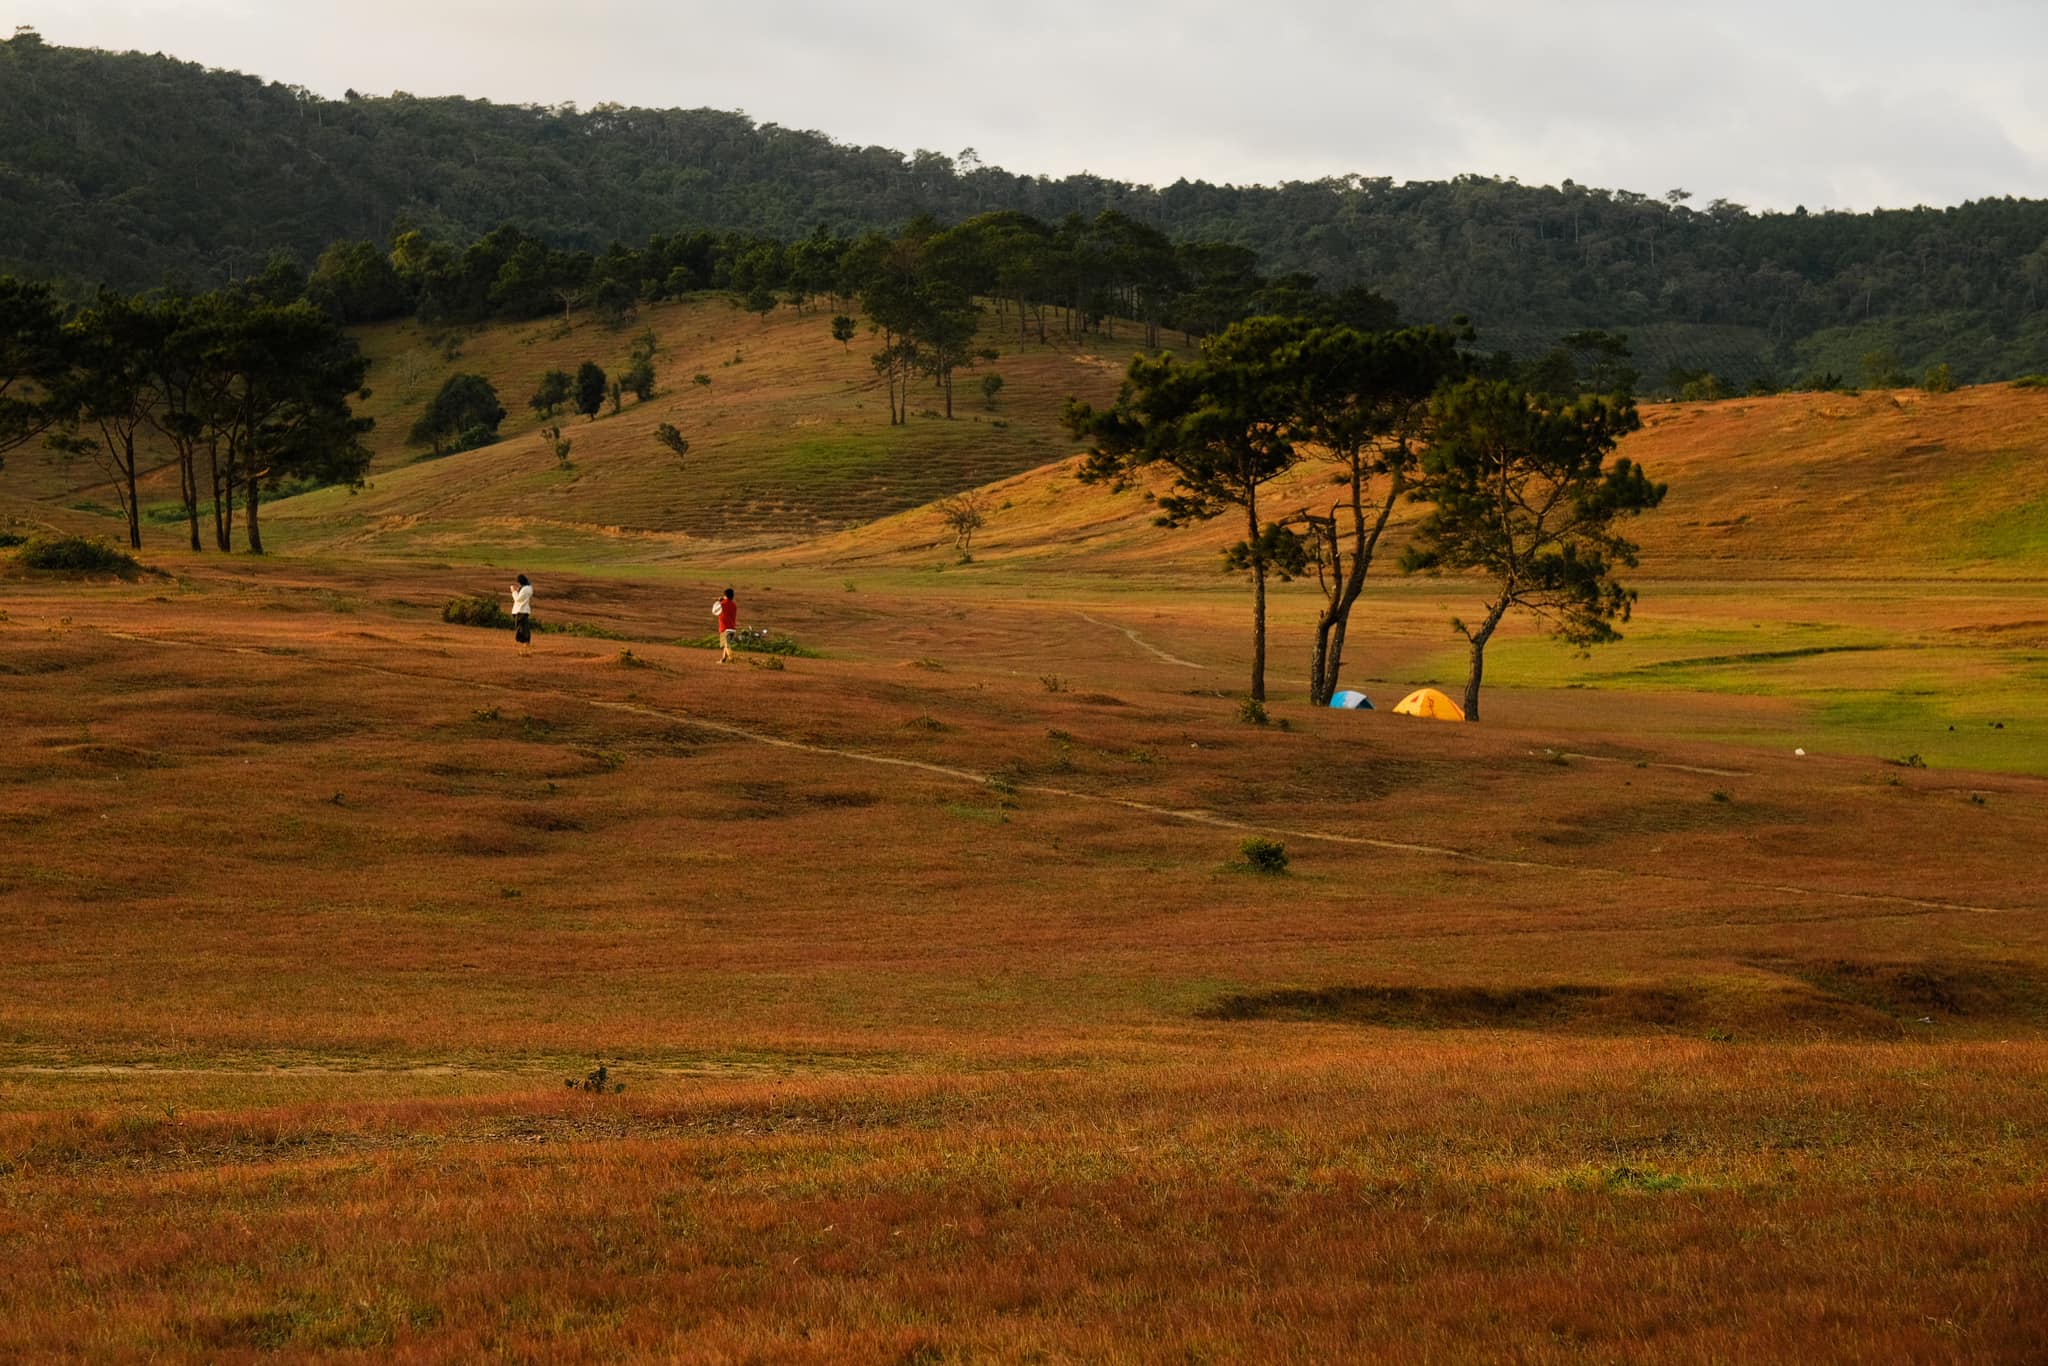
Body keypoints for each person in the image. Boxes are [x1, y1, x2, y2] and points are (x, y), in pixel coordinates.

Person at [713, 587, 737, 663]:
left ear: (725, 595)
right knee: (726, 644)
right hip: (732, 627)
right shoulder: (734, 605)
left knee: (727, 645)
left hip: (724, 627)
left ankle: (731, 658)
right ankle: (723, 659)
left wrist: (720, 600)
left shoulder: (722, 604)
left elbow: (715, 610)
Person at [510, 574, 533, 647]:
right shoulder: (527, 588)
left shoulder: (526, 589)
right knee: (522, 626)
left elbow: (518, 599)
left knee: (522, 627)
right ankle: (525, 642)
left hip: (521, 610)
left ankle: (525, 642)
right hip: (521, 610)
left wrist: (513, 591)